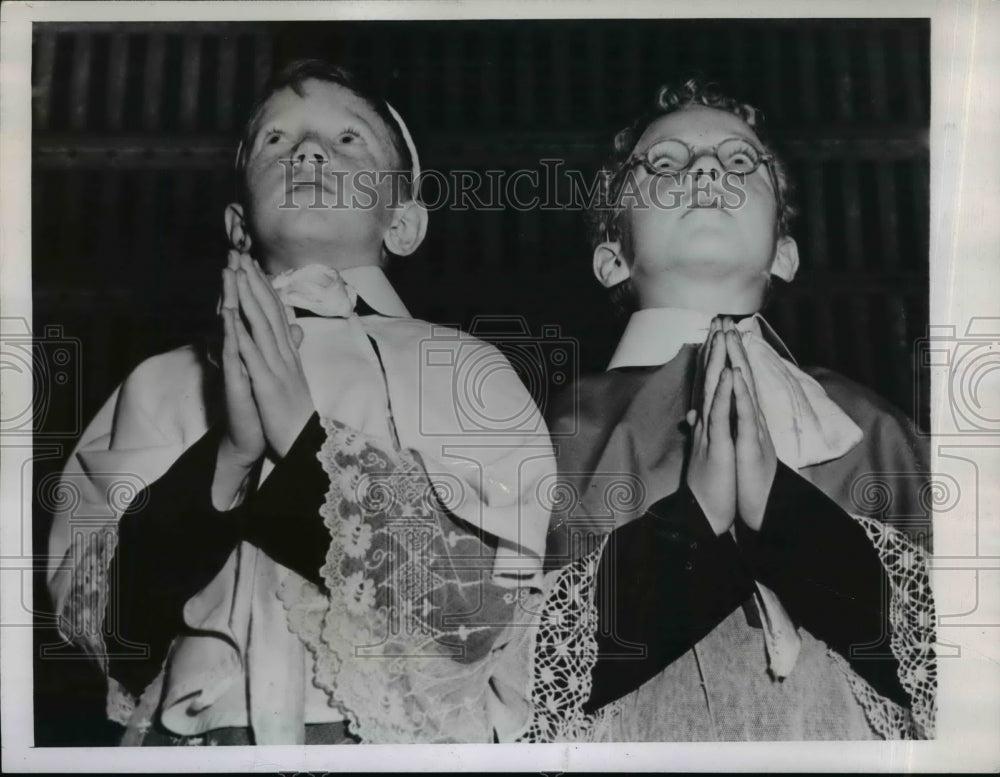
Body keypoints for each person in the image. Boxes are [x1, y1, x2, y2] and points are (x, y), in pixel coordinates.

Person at [46, 59, 553, 745]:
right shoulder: (159, 381)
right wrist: (228, 457)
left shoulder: (462, 367)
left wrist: (300, 440)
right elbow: (110, 627)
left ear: (402, 221)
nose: (309, 150)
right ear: (236, 223)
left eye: (349, 140)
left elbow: (477, 614)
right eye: (275, 140)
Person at [523, 79, 935, 742]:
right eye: (665, 162)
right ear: (611, 259)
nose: (709, 170)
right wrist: (696, 525)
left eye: (742, 161)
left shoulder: (874, 425)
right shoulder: (558, 429)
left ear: (785, 253)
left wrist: (789, 523)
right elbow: (523, 680)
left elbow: (952, 667)